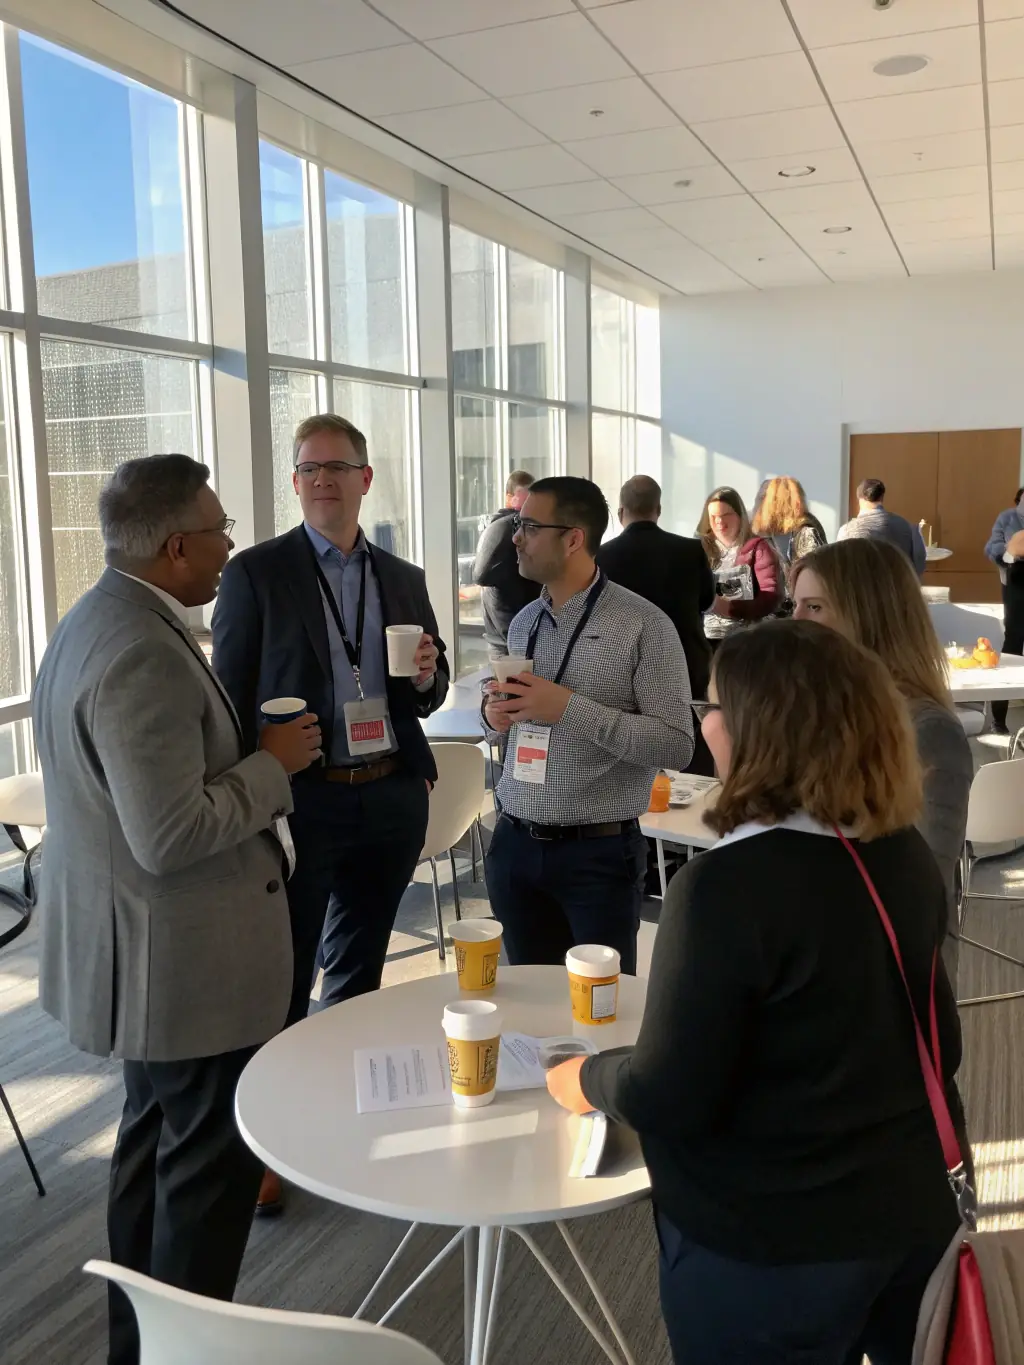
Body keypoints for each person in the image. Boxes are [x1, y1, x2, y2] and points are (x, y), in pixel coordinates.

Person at [546, 620, 964, 1365]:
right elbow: (944, 1042)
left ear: (759, 731)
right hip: (911, 1217)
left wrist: (583, 1076)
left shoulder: (723, 888)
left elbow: (669, 1095)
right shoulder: (900, 853)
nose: (703, 721)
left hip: (774, 1248)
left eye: (712, 704)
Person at [32, 456, 322, 1365]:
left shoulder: (99, 617)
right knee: (202, 1175)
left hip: (151, 960)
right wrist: (276, 764)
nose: (233, 541)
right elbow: (168, 830)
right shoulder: (139, 653)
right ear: (176, 545)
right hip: (181, 971)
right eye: (221, 526)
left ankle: (145, 1344)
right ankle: (187, 1347)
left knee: (151, 1152)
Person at [212, 413, 448, 1207]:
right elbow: (227, 699)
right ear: (295, 482)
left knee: (359, 969)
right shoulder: (257, 573)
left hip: (387, 791)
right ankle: (269, 1142)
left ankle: (333, 1121)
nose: (320, 480)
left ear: (365, 479)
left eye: (335, 467)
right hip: (303, 800)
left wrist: (425, 674)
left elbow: (433, 688)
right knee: (285, 969)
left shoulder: (405, 577)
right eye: (307, 469)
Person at [483, 476, 694, 972]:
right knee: (527, 1008)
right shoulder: (524, 622)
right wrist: (494, 717)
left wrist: (568, 708)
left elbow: (677, 745)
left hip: (596, 855)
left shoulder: (644, 625)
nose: (515, 538)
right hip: (514, 844)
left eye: (530, 527)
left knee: (602, 1015)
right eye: (518, 524)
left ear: (573, 538)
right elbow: (509, 726)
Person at [792, 539, 972, 979]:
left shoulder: (927, 732)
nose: (795, 623)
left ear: (868, 617)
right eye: (794, 606)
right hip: (809, 963)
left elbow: (920, 893)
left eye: (814, 607)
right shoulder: (818, 714)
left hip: (881, 984)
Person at [596, 474, 714, 703]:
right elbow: (707, 601)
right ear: (658, 509)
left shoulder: (601, 557)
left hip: (626, 671)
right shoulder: (690, 550)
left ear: (621, 513)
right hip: (685, 666)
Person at [696, 486, 783, 649]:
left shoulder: (758, 548)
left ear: (740, 516)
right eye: (714, 516)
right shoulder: (698, 549)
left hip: (745, 641)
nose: (719, 521)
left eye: (726, 515)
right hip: (705, 640)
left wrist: (731, 608)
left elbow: (771, 597)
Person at [472, 469, 541, 658]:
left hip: (513, 632)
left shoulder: (501, 527)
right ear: (508, 497)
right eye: (523, 498)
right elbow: (482, 574)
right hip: (505, 635)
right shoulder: (502, 528)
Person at [984, 486, 1024, 734]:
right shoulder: (1008, 517)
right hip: (1018, 584)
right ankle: (998, 719)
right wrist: (1011, 553)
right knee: (1012, 646)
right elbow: (991, 548)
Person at [837, 477, 927, 576]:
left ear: (860, 499)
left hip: (862, 589)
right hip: (899, 589)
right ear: (881, 497)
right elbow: (919, 563)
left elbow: (841, 569)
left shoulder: (847, 530)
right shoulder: (904, 524)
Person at [751, 474, 827, 564]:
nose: (761, 503)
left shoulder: (805, 531)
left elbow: (813, 568)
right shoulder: (762, 529)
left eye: (765, 497)